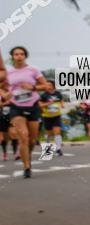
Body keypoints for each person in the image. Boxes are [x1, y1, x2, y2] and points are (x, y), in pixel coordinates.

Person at [6, 46, 50, 178]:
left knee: (32, 140)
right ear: (12, 57)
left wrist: (33, 87)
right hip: (16, 106)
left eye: (21, 54)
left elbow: (46, 86)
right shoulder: (8, 72)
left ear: (25, 56)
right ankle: (26, 167)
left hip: (33, 106)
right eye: (16, 54)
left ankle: (27, 156)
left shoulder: (33, 70)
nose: (19, 56)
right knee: (23, 136)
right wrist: (5, 94)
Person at [38, 81, 65, 157]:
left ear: (53, 86)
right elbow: (40, 105)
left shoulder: (58, 93)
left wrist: (62, 104)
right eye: (46, 85)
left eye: (49, 85)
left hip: (56, 115)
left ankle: (58, 149)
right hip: (47, 116)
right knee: (49, 134)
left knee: (57, 132)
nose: (48, 86)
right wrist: (48, 104)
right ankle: (47, 150)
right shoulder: (43, 95)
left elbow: (61, 99)